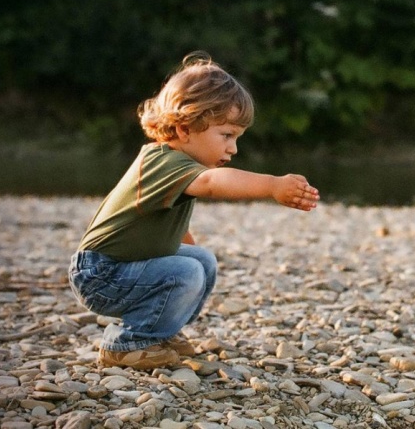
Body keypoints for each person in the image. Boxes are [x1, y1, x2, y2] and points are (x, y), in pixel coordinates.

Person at [68, 51, 320, 370]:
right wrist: (271, 185)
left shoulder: (178, 163)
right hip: (100, 274)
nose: (233, 148)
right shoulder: (163, 161)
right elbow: (214, 183)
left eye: (237, 138)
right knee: (186, 272)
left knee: (201, 260)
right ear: (185, 128)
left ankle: (159, 331)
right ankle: (127, 343)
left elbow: (166, 228)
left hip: (122, 268)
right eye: (226, 135)